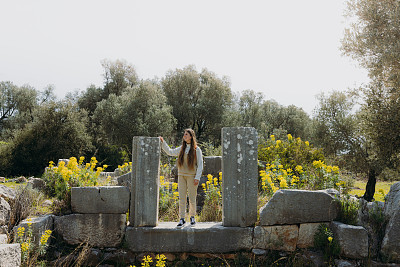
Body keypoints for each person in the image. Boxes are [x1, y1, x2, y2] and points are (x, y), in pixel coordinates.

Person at [159, 128, 203, 227]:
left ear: (191, 137)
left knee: (192, 198)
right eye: (184, 134)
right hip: (181, 176)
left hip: (192, 177)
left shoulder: (197, 149)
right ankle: (182, 218)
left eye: (186, 134)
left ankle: (192, 217)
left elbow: (200, 165)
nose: (184, 135)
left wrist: (197, 177)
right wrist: (163, 142)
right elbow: (170, 152)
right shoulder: (181, 148)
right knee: (182, 198)